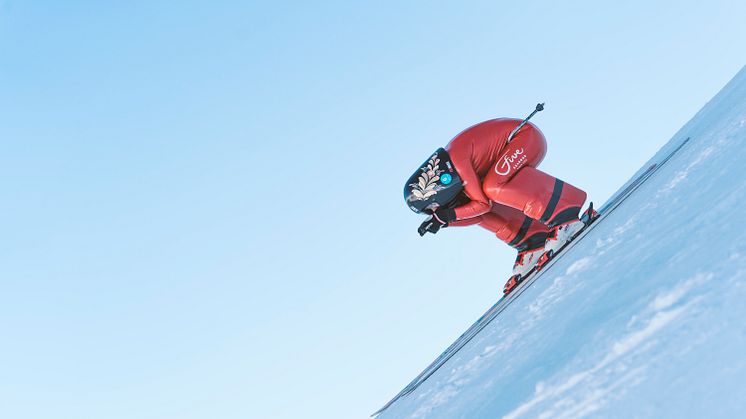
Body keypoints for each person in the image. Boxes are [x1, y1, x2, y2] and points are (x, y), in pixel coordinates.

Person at [404, 117, 593, 294]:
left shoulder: (458, 161)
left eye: (436, 207)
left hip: (524, 137)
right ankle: (532, 239)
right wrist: (445, 222)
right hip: (515, 145)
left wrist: (445, 217)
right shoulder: (452, 170)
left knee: (492, 187)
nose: (440, 210)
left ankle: (564, 212)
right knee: (478, 197)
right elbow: (477, 215)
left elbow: (482, 205)